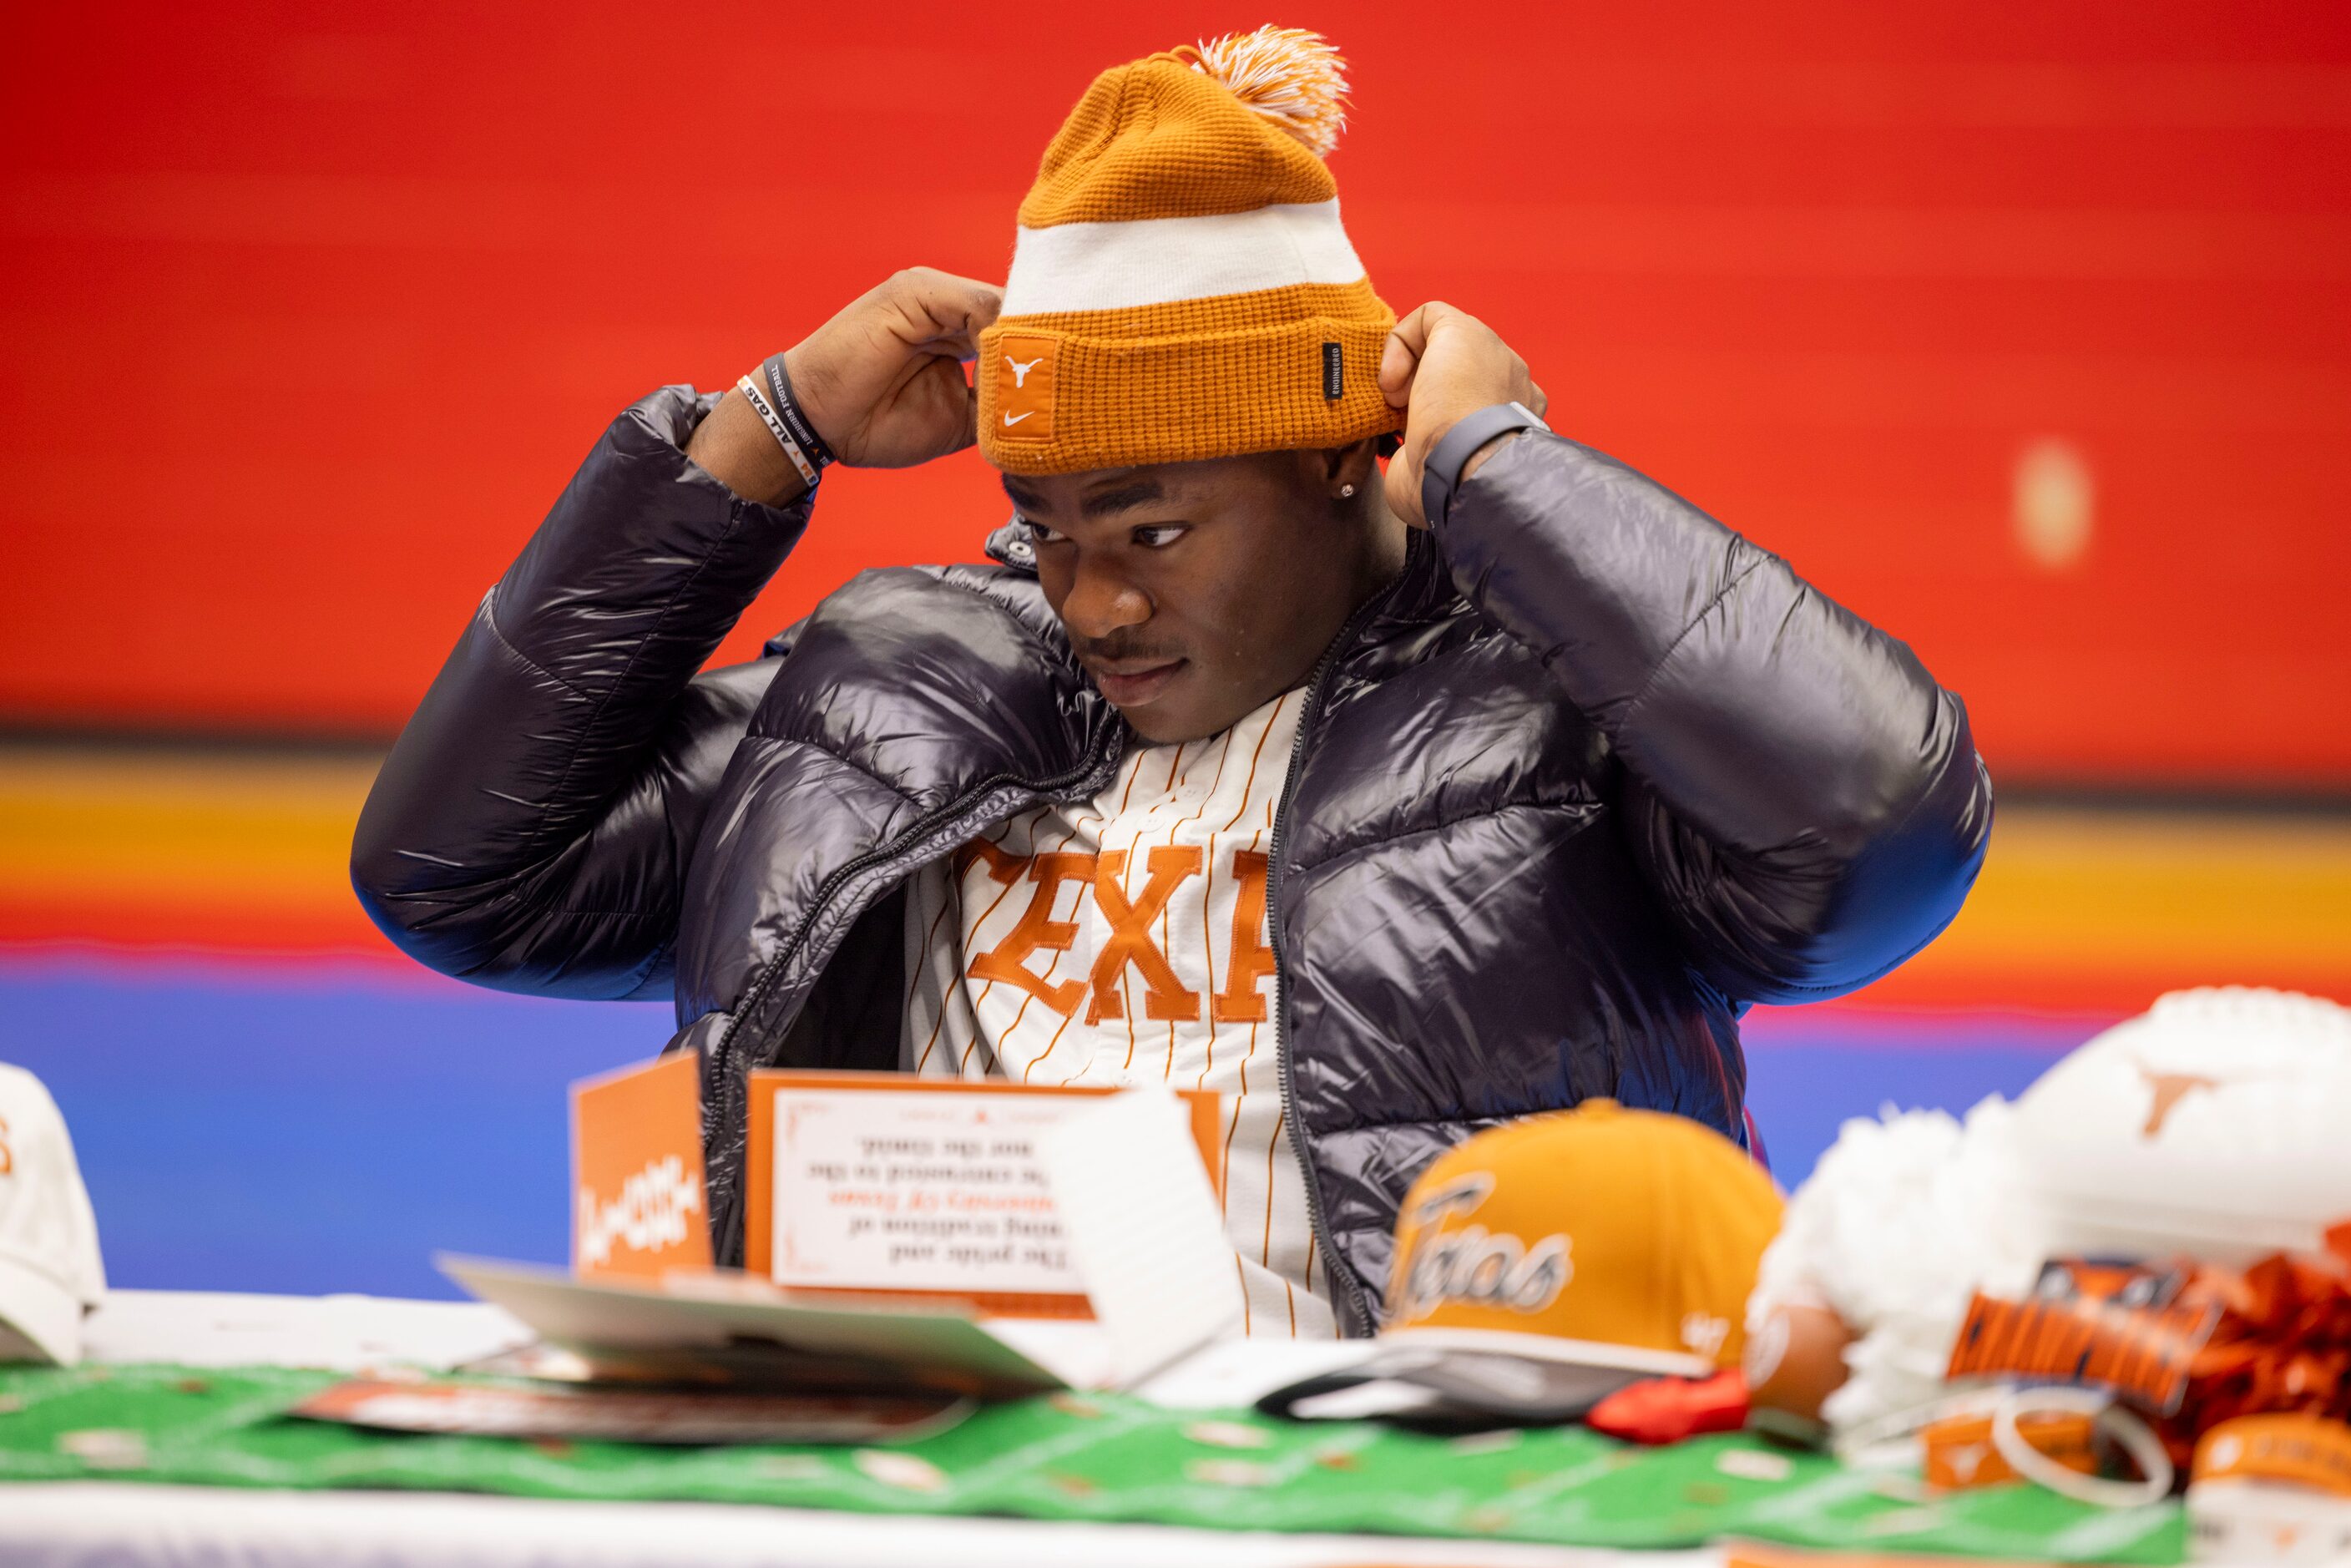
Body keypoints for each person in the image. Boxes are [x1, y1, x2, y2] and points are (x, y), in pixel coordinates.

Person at [351, 28, 1991, 1338]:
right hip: (914, 1483)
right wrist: (753, 438)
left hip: (1375, 1497)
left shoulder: (1549, 707)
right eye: (1044, 528)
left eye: (1154, 528)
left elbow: (1878, 824)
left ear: (1345, 459)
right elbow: (464, 877)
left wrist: (1504, 477)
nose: (1094, 599)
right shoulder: (897, 682)